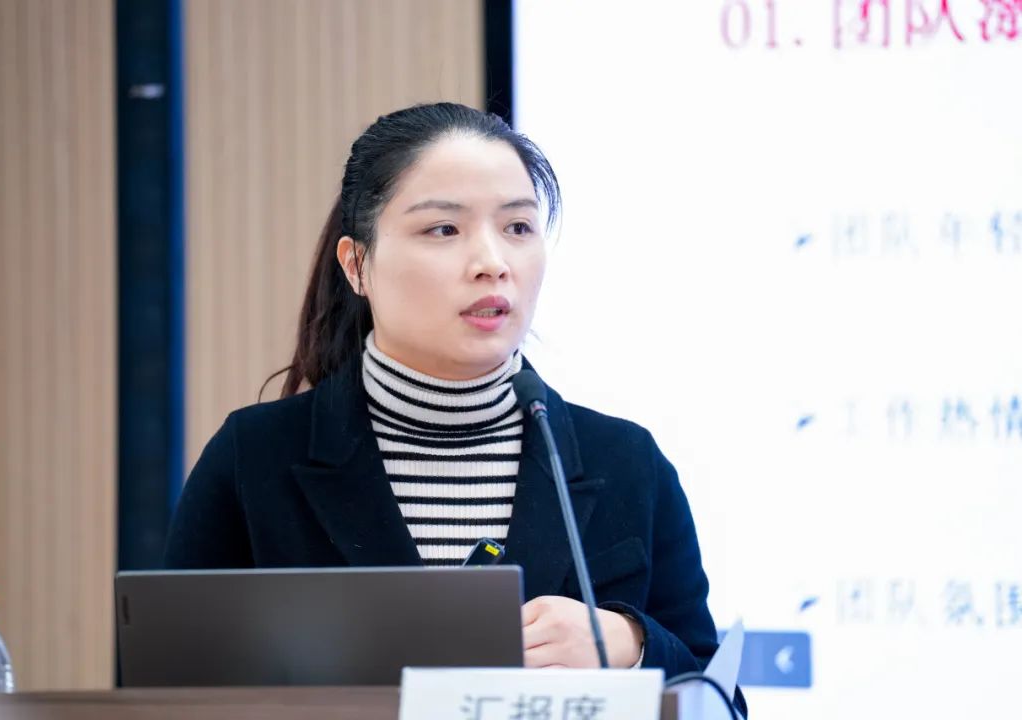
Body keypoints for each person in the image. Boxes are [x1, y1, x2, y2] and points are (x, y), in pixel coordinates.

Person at [164, 102, 746, 715]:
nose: (493, 262)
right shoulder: (254, 458)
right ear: (356, 264)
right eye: (444, 230)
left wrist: (632, 644)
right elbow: (163, 691)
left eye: (518, 227)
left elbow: (721, 702)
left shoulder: (627, 461)